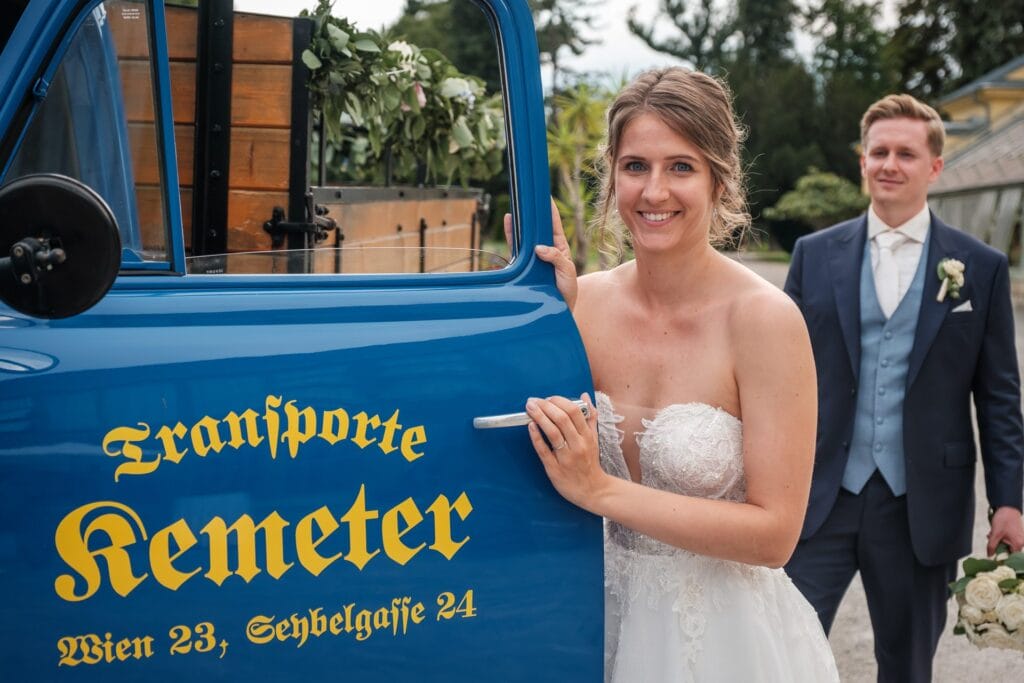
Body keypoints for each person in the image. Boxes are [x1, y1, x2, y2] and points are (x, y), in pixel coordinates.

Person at [518, 67, 839, 681]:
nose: (653, 191)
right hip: (585, 626)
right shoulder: (576, 306)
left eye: (681, 167)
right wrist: (532, 313)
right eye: (635, 165)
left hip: (720, 644)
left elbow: (775, 535)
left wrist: (602, 491)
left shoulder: (765, 320)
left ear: (722, 180)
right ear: (611, 175)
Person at [783, 93, 1024, 682]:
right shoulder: (813, 255)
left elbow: (999, 399)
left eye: (906, 154)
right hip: (819, 497)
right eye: (879, 151)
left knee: (907, 665)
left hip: (923, 505)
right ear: (862, 161)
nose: (890, 163)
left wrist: (1010, 500)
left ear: (934, 167)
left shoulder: (981, 267)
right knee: (781, 648)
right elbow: (778, 375)